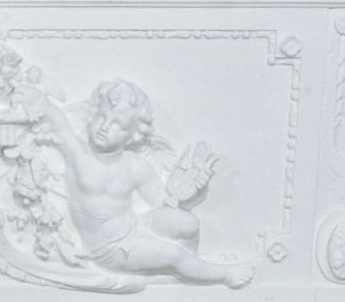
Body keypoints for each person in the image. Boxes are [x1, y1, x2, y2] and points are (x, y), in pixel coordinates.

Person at [21, 79, 253, 287]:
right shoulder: (79, 157)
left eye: (118, 125)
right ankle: (221, 274)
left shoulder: (136, 166)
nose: (104, 127)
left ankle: (190, 268)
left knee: (188, 223)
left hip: (136, 226)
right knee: (173, 254)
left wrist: (184, 195)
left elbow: (161, 204)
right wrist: (36, 96)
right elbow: (58, 123)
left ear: (132, 134)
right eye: (102, 117)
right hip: (109, 250)